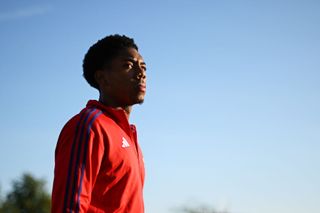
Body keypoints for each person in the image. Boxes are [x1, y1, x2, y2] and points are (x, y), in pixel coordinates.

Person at [51, 34, 147, 213]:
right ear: (103, 78)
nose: (141, 73)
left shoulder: (129, 134)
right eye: (128, 65)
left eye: (143, 67)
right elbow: (69, 206)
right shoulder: (90, 126)